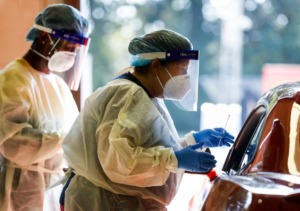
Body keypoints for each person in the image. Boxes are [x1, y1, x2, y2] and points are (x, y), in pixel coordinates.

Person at [61, 29, 234, 210]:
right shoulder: (127, 94)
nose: (187, 79)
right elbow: (119, 162)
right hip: (104, 202)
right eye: (182, 69)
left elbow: (146, 149)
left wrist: (192, 141)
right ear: (157, 65)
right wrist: (174, 159)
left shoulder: (147, 96)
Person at [0, 4, 90, 211]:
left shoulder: (58, 85)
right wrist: (68, 139)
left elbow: (74, 132)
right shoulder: (12, 80)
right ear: (44, 37)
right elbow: (14, 144)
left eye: (76, 51)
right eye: (69, 48)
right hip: (20, 193)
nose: (72, 56)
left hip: (53, 189)